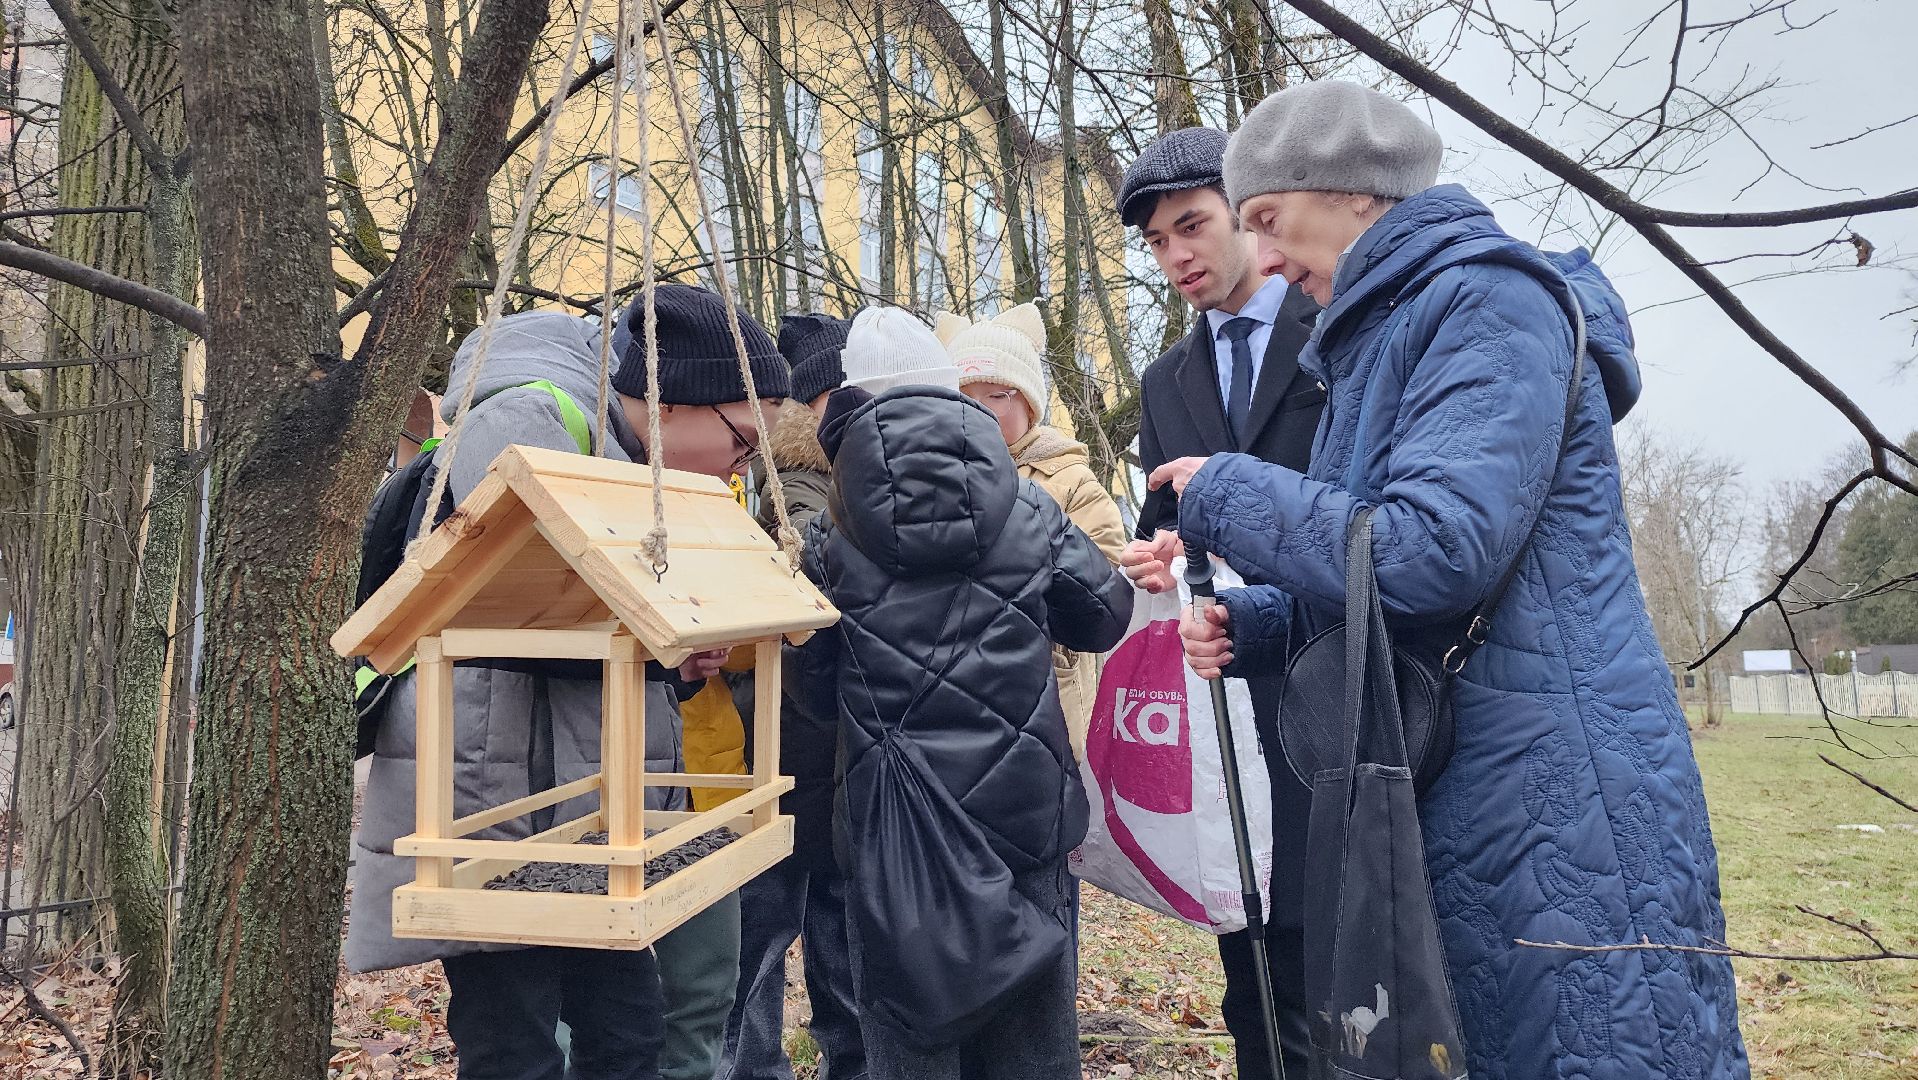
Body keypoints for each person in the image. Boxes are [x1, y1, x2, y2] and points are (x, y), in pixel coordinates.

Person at [1158, 81, 1748, 1079]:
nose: (1260, 257)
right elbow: (1387, 565)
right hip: (1475, 779)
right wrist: (1260, 625)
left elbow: (1433, 550)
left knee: (1596, 1045)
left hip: (1552, 790)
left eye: (1266, 218)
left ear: (1351, 190)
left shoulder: (1487, 299)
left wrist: (1227, 491)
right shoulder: (1385, 330)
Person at [346, 288, 789, 1080]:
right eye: (741, 440)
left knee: (628, 1035)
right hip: (496, 798)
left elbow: (599, 629)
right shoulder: (530, 418)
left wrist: (673, 660)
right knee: (516, 1043)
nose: (739, 466)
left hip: (578, 805)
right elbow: (540, 590)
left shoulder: (627, 460)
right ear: (674, 401)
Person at [787, 306, 1133, 1080]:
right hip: (1024, 811)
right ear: (949, 393)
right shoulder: (1032, 506)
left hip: (894, 826)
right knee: (1034, 1043)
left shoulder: (829, 536)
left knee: (912, 1038)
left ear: (853, 404)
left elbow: (810, 690)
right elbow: (1105, 618)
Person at [1114, 125, 1321, 1078]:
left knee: (1346, 950)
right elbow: (1173, 520)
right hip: (1229, 695)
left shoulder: (1336, 328)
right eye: (1156, 243)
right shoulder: (1165, 381)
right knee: (1254, 952)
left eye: (1190, 226)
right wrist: (1162, 553)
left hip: (1343, 679)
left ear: (1245, 214)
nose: (1176, 257)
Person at [717, 312, 866, 1080]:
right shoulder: (797, 484)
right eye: (843, 390)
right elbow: (815, 562)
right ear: (817, 403)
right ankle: (754, 1067)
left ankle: (846, 1062)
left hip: (829, 746)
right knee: (766, 931)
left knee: (839, 937)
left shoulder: (848, 474)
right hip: (781, 741)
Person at [937, 301, 1126, 757]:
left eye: (997, 395)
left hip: (1048, 681)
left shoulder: (1069, 478)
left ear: (1028, 403)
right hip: (958, 685)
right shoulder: (939, 475)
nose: (979, 409)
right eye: (965, 396)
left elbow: (1108, 574)